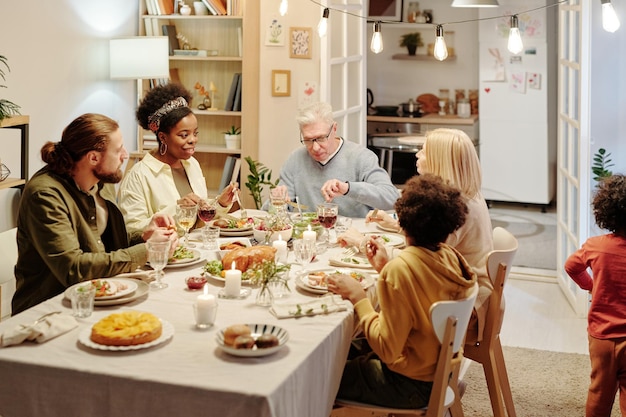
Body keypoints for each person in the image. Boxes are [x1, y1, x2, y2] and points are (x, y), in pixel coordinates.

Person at [327, 174, 477, 409]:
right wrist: (386, 267)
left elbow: (387, 349)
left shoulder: (401, 269)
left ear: (403, 221)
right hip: (438, 371)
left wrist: (358, 297)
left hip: (407, 384)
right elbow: (420, 294)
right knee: (341, 348)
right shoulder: (450, 256)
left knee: (321, 373)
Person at [12, 113, 178, 315]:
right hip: (51, 311)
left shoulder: (101, 182)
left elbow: (106, 248)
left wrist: (144, 235)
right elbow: (75, 269)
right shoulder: (45, 195)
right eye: (118, 150)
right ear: (93, 158)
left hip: (100, 296)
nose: (125, 155)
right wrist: (148, 251)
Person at [339, 128, 493, 344]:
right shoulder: (466, 197)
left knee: (376, 294)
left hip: (458, 312)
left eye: (424, 150)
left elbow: (420, 266)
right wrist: (395, 224)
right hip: (465, 295)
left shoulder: (458, 208)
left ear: (440, 161)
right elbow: (431, 246)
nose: (417, 154)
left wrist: (362, 242)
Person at [119, 83, 239, 234]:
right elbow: (130, 232)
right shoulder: (138, 176)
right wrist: (176, 211)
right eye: (184, 135)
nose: (192, 140)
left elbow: (199, 216)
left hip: (197, 250)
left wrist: (220, 203)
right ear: (163, 137)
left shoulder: (192, 164)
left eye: (195, 133)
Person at [270, 101, 399, 218]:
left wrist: (348, 188)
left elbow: (392, 199)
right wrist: (276, 201)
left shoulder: (362, 157)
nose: (315, 147)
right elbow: (273, 214)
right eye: (308, 140)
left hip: (354, 235)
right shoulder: (295, 159)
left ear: (334, 129)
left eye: (321, 138)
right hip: (309, 237)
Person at [564, 174, 626, 416]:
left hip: (603, 338)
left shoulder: (596, 246)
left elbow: (571, 266)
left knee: (600, 392)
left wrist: (590, 286)